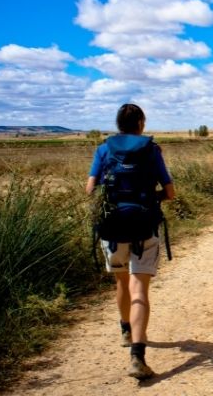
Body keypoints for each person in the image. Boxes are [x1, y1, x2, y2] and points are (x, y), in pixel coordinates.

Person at [86, 103, 175, 379]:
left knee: (121, 281)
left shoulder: (104, 149)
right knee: (140, 289)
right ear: (141, 123)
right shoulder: (151, 149)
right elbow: (170, 192)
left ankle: (125, 329)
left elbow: (90, 189)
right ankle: (137, 355)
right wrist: (148, 199)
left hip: (112, 229)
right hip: (144, 227)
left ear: (118, 124)